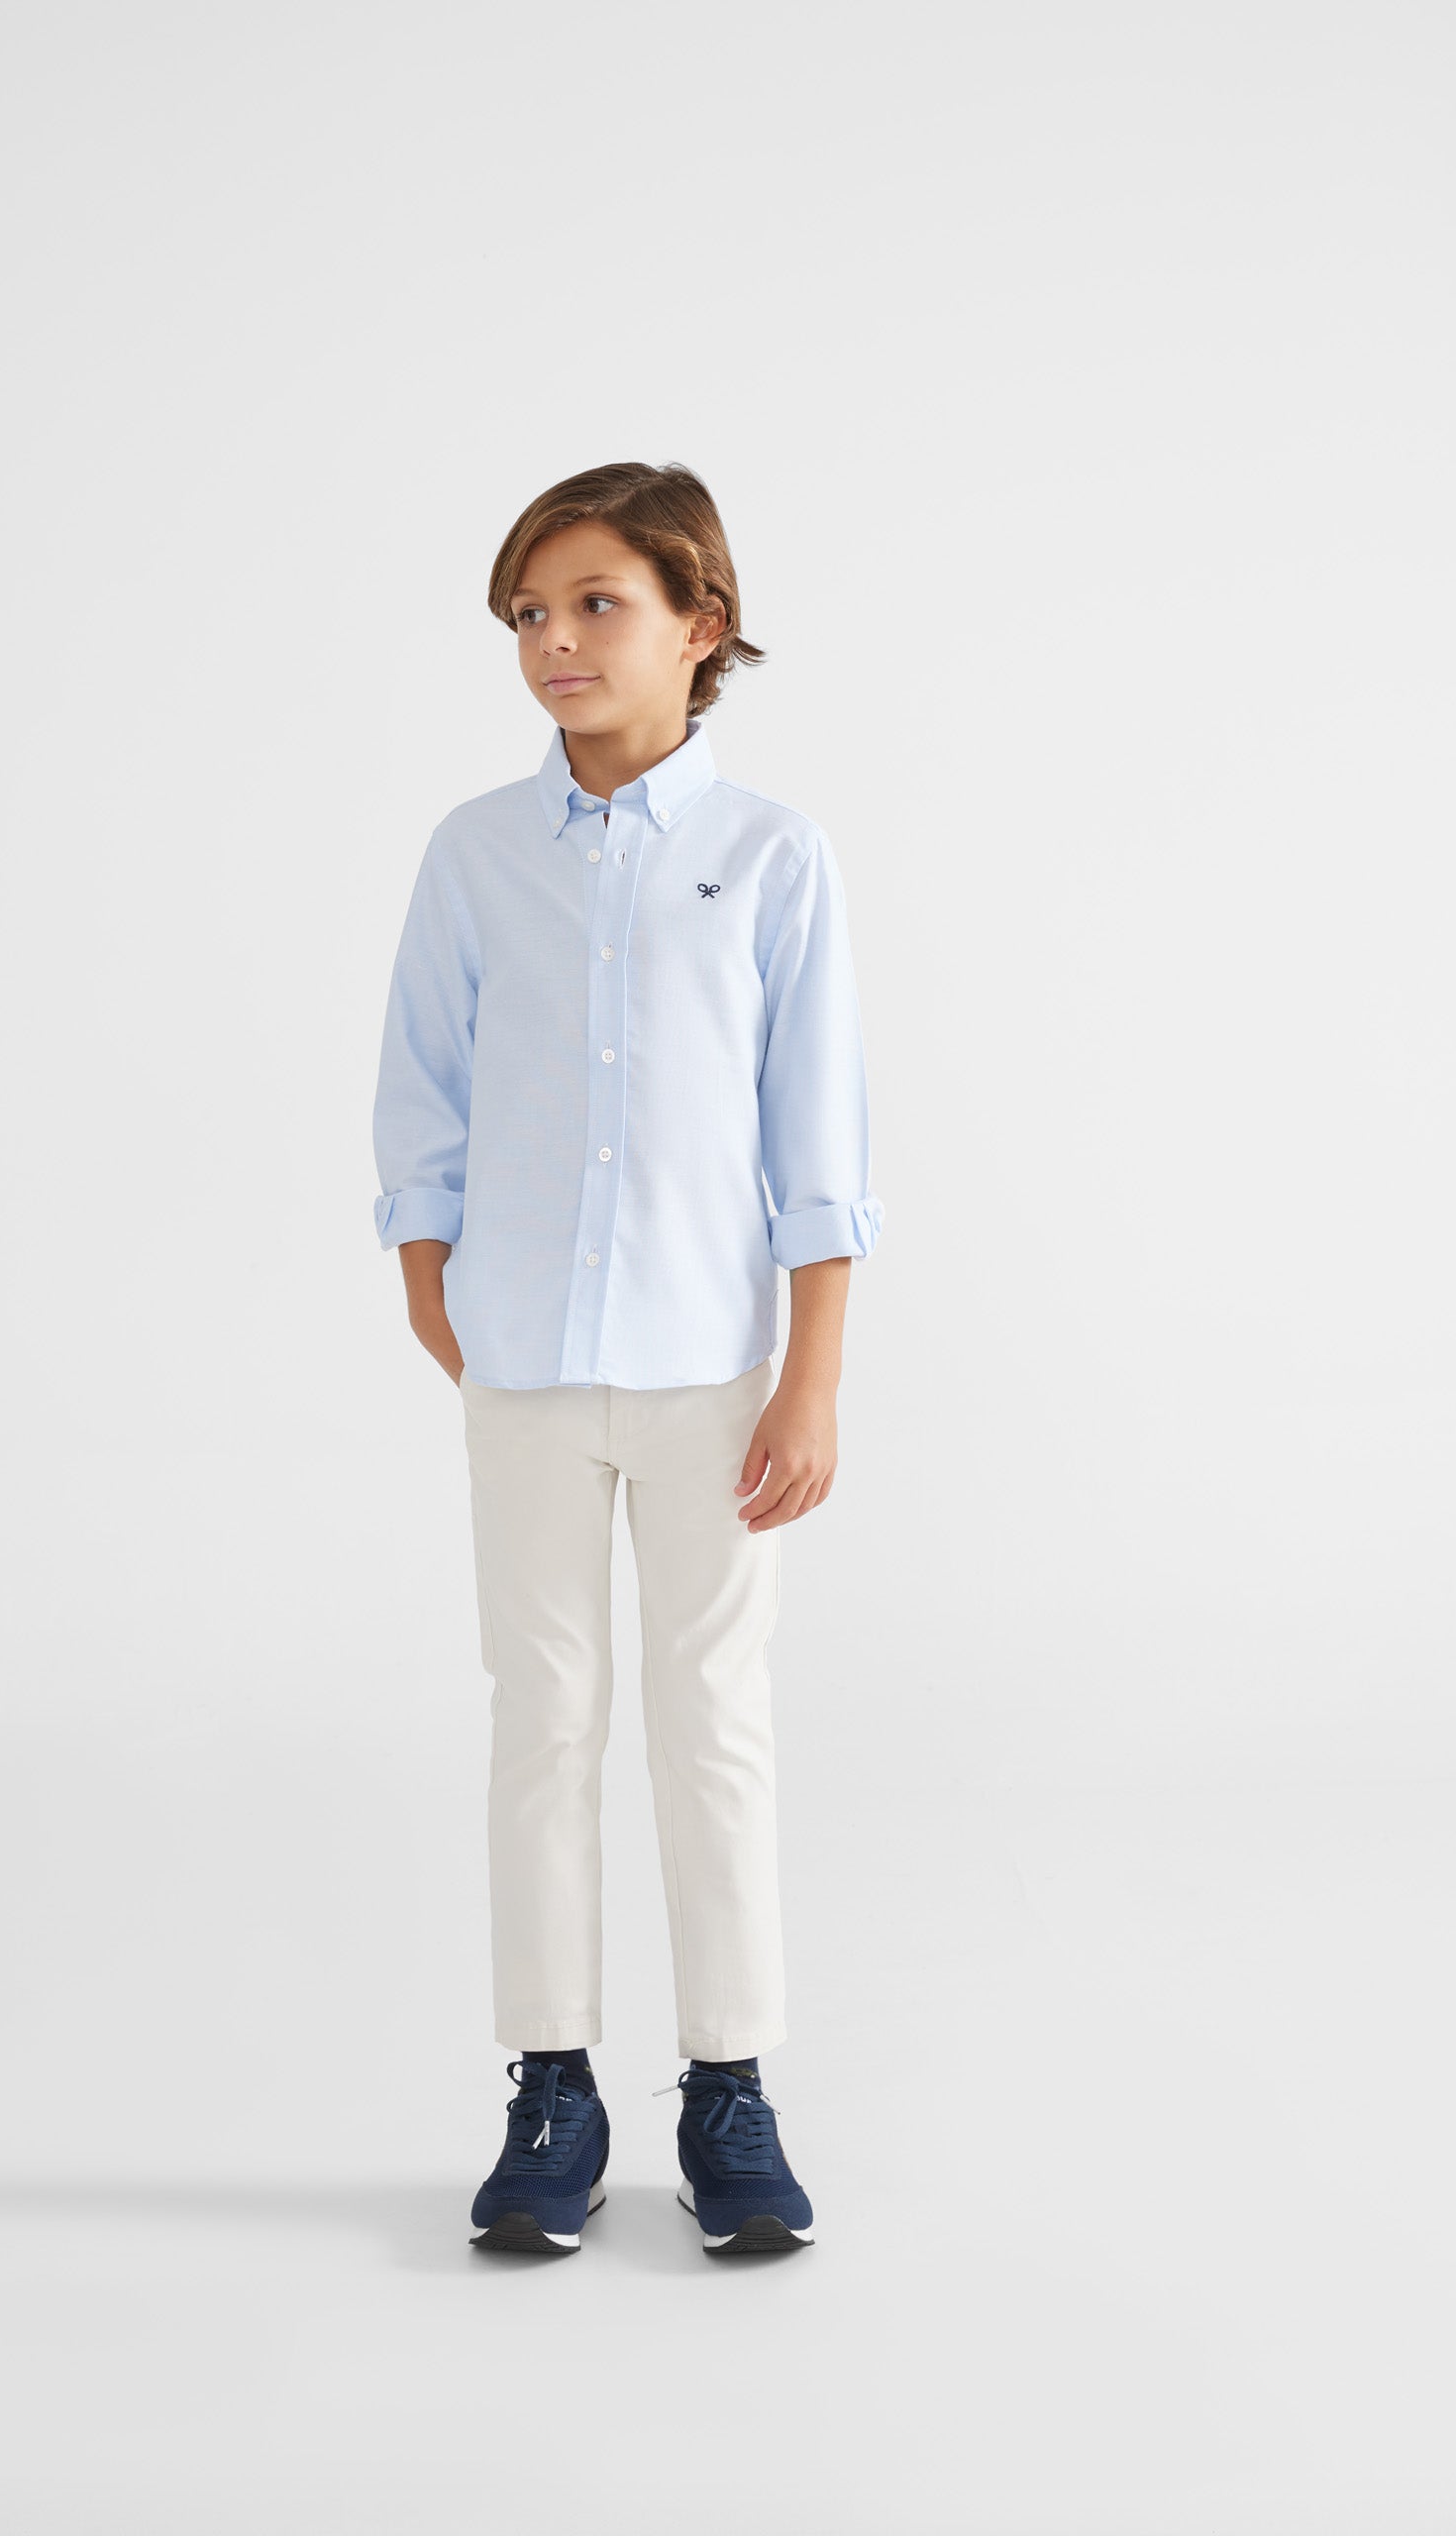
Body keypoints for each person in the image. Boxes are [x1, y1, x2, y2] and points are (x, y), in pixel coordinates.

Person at [370, 460, 884, 2258]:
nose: (556, 641)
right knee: (544, 1716)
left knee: (711, 1715)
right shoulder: (476, 855)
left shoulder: (774, 859)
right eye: (531, 612)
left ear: (700, 623)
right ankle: (552, 2088)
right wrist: (429, 1278)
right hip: (520, 1365)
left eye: (597, 603)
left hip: (711, 1373)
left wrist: (811, 1377)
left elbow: (818, 1142)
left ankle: (730, 2085)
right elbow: (423, 1084)